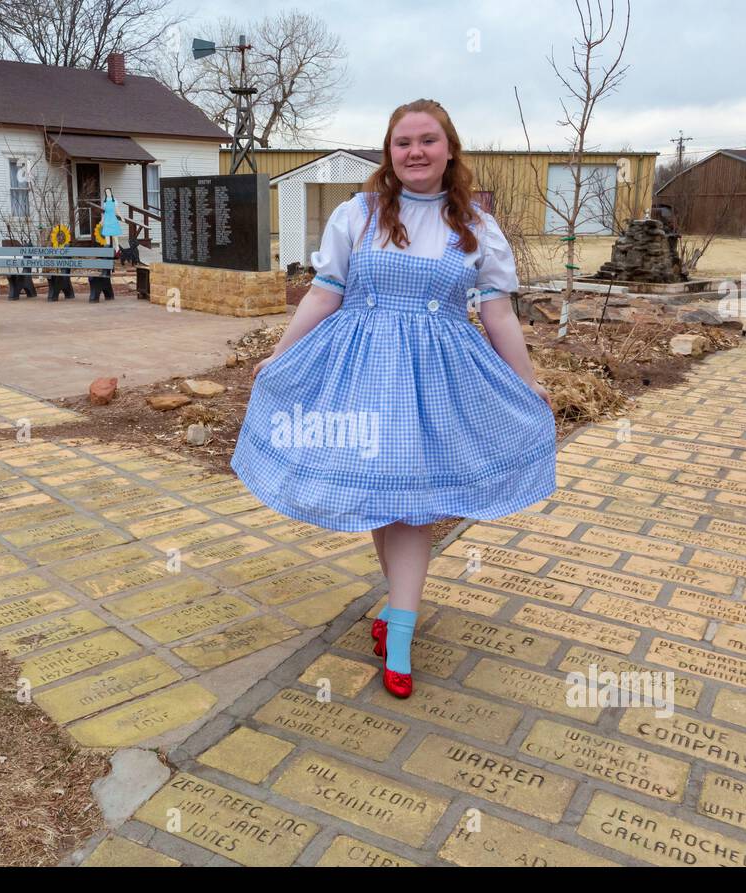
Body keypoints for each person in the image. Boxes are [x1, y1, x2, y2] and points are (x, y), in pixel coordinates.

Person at [230, 98, 556, 699]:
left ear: (449, 148)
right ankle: (397, 613)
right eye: (403, 142)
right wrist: (279, 357)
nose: (415, 152)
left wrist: (525, 380)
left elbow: (498, 312)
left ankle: (399, 633)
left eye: (427, 140)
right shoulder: (359, 214)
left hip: (436, 380)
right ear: (389, 152)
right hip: (360, 372)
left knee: (410, 506)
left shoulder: (477, 226)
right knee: (387, 500)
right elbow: (324, 295)